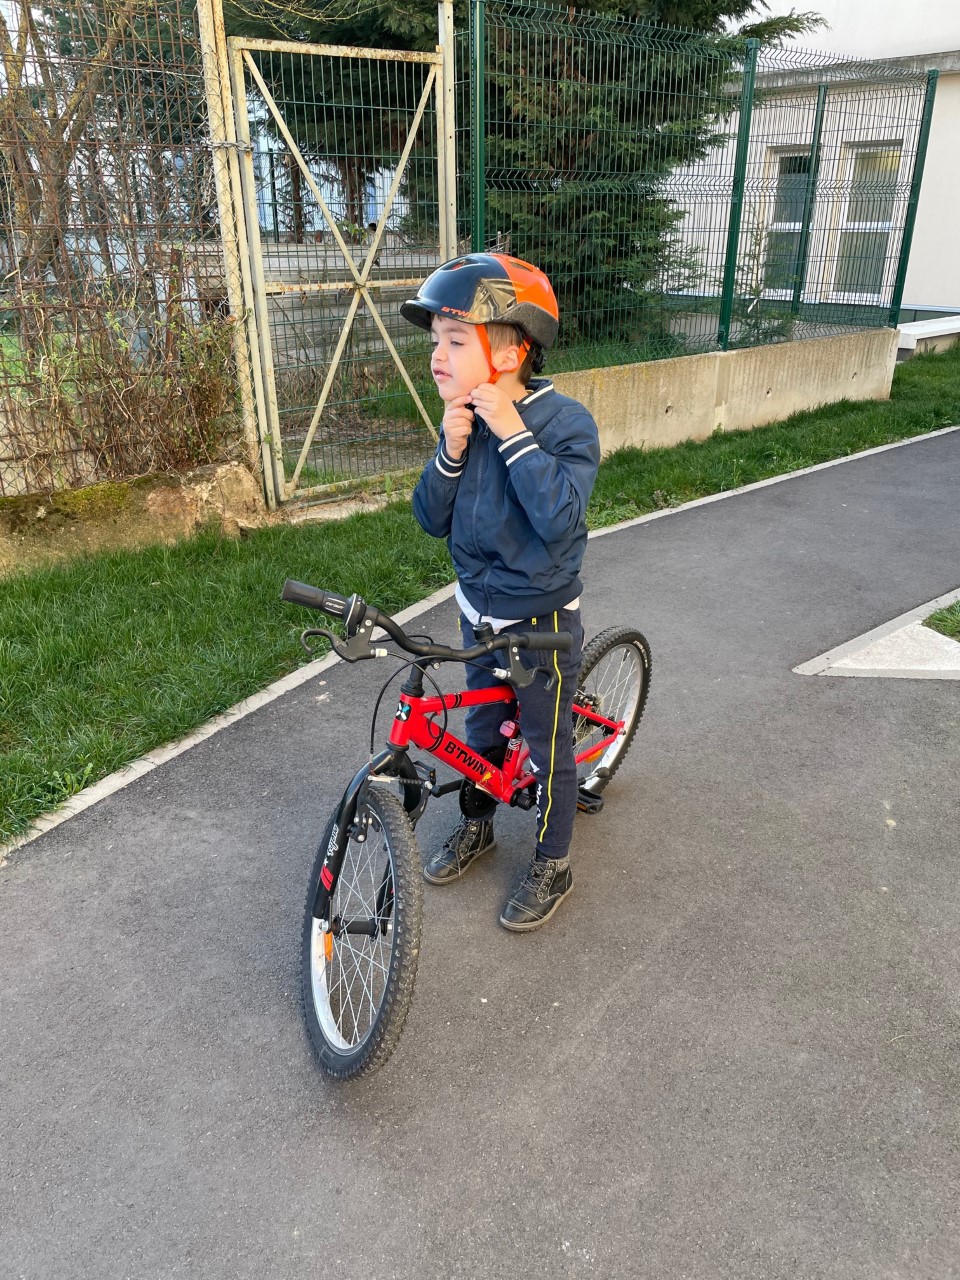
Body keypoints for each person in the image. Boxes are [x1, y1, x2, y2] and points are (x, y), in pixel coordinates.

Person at [401, 253, 601, 931]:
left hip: (539, 615)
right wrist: (450, 453)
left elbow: (558, 519)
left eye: (456, 341)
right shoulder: (459, 417)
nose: (437, 356)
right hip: (475, 611)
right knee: (482, 728)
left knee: (547, 743)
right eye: (435, 341)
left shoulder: (564, 424)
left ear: (513, 350)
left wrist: (511, 433)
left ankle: (553, 860)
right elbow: (431, 519)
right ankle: (478, 824)